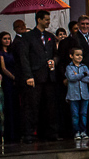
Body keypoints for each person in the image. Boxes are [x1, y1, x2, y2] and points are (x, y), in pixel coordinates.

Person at [16, 9, 59, 143]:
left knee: (50, 105)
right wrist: (28, 76)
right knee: (32, 106)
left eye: (49, 19)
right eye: (46, 19)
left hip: (48, 76)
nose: (48, 22)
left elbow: (56, 54)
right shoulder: (28, 37)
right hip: (35, 75)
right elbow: (24, 57)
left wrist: (54, 61)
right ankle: (29, 133)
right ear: (39, 20)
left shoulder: (50, 36)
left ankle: (49, 132)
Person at [64, 46, 89, 139]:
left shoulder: (84, 67)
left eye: (81, 55)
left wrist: (78, 76)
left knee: (83, 114)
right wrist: (83, 75)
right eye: (77, 55)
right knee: (75, 115)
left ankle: (83, 131)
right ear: (71, 56)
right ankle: (76, 132)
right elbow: (71, 77)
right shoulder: (69, 67)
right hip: (73, 95)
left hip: (84, 94)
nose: (80, 57)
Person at [0, 31, 19, 143]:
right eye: (5, 39)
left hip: (14, 80)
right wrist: (13, 77)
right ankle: (9, 133)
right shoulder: (1, 53)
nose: (7, 41)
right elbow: (3, 68)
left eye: (9, 39)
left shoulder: (12, 52)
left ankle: (16, 132)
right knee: (9, 105)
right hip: (7, 80)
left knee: (15, 105)